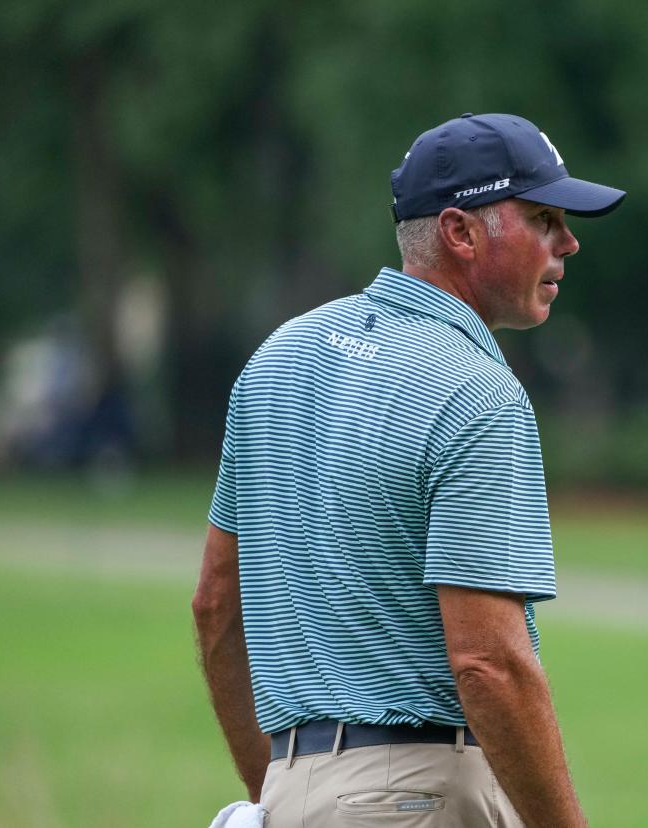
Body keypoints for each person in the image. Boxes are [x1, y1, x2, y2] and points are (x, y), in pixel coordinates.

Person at [192, 112, 625, 828]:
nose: (569, 243)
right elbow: (489, 666)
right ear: (460, 233)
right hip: (419, 801)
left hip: (293, 801)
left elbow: (215, 607)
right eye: (544, 219)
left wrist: (279, 789)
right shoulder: (477, 392)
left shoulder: (277, 359)